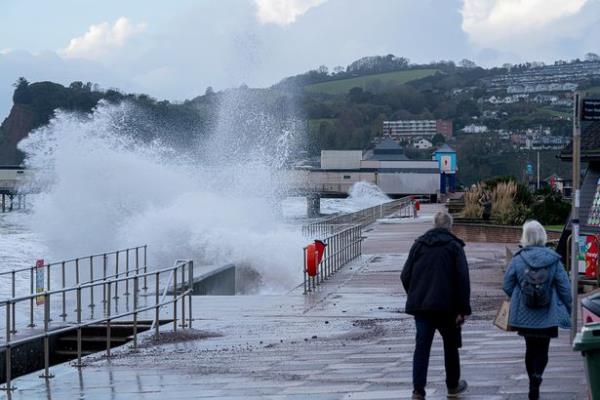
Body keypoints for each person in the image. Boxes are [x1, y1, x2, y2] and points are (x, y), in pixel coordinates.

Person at [401, 210, 471, 399]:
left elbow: (405, 275)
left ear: (434, 225)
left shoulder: (419, 245)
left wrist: (416, 295)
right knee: (450, 346)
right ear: (450, 226)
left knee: (422, 348)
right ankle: (453, 385)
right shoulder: (454, 247)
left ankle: (418, 390)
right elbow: (463, 279)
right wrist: (462, 309)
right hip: (447, 308)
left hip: (422, 308)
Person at [503, 220, 571, 400]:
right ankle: (537, 377)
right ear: (543, 236)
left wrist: (518, 296)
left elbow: (507, 284)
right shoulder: (553, 260)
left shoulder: (518, 259)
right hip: (547, 314)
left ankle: (532, 381)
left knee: (530, 348)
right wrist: (570, 309)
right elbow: (565, 288)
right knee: (543, 349)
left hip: (524, 314)